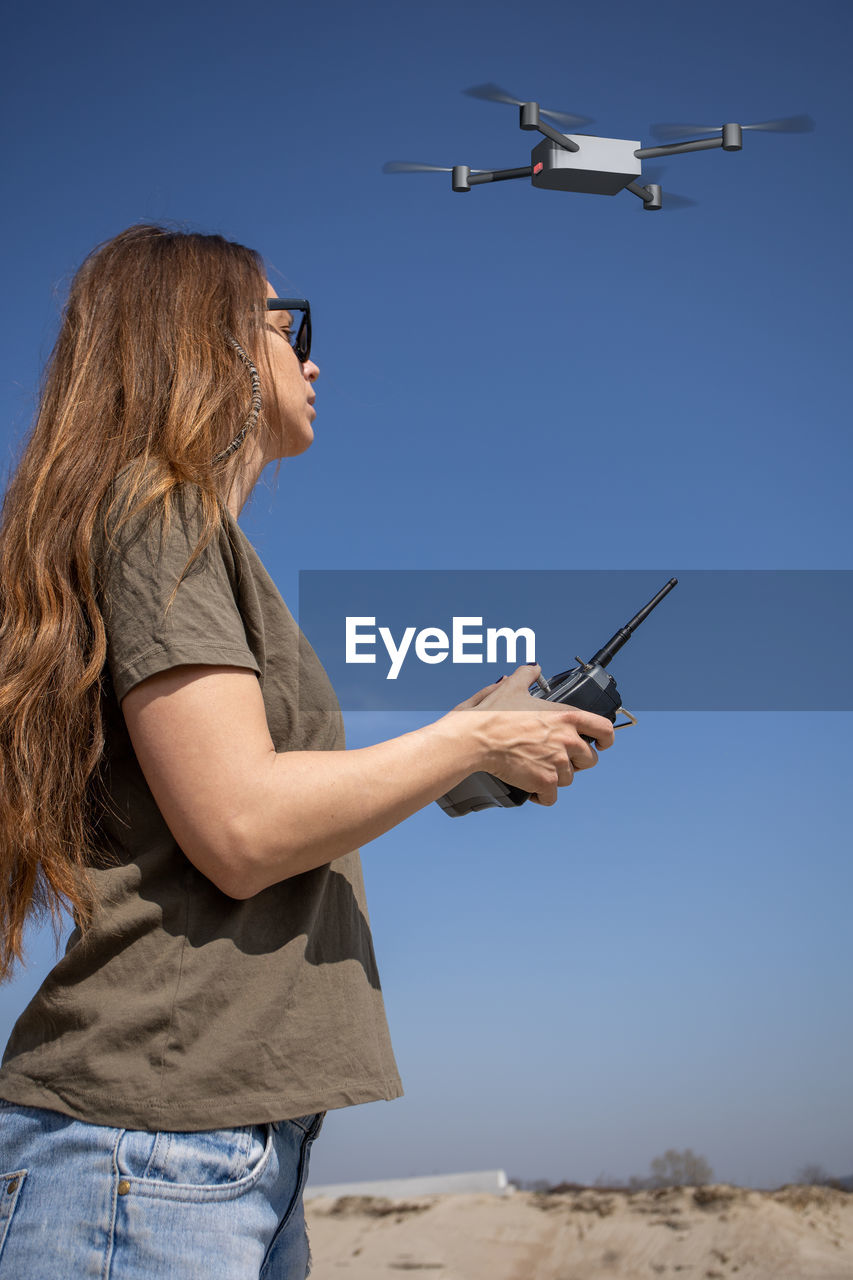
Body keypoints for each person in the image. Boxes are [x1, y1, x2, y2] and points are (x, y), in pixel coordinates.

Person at [0, 224, 614, 1278]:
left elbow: (257, 803)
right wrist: (467, 733)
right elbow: (242, 828)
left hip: (223, 1146)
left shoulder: (195, 539)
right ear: (209, 345)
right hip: (152, 1146)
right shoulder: (159, 517)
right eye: (288, 324)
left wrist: (475, 751)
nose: (313, 356)